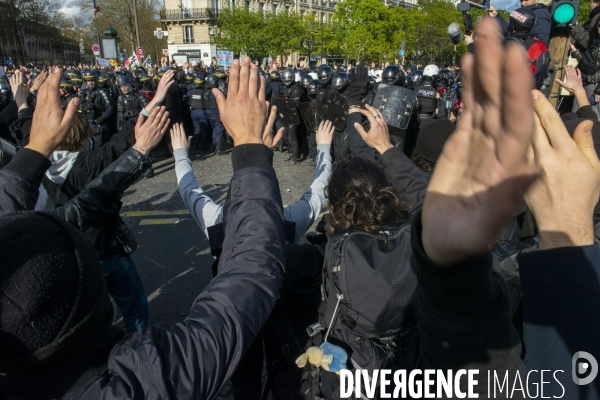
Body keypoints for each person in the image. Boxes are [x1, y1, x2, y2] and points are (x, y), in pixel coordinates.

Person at [0, 58, 288, 400]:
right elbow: (252, 269)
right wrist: (252, 152)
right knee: (135, 304)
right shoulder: (143, 383)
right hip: (109, 252)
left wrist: (33, 149)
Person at [80, 70, 114, 144]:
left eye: (92, 80)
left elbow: (110, 109)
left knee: (103, 146)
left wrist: (98, 120)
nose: (90, 83)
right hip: (88, 123)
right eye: (88, 81)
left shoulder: (102, 92)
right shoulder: (83, 92)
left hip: (101, 124)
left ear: (96, 80)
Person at [187, 74, 210, 151]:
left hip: (193, 112)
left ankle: (195, 145)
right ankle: (203, 146)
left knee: (197, 129)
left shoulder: (191, 92)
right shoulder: (204, 91)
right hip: (202, 112)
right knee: (203, 130)